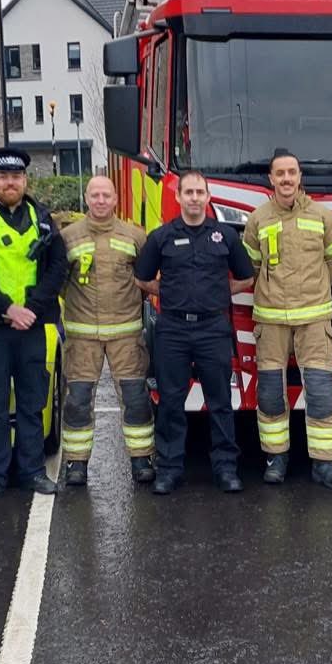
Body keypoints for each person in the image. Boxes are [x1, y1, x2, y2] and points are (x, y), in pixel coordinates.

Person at [133, 171, 253, 494]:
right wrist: (170, 291)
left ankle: (226, 468)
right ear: (179, 196)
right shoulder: (161, 237)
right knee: (171, 401)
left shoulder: (226, 236)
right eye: (189, 192)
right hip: (173, 329)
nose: (195, 198)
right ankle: (170, 469)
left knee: (221, 402)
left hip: (213, 328)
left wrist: (219, 291)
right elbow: (142, 278)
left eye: (200, 192)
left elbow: (246, 276)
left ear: (208, 197)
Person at [0, 148, 66, 499]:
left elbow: (57, 268)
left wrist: (31, 309)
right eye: (3, 177)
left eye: (16, 177)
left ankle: (33, 472)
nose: (10, 182)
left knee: (32, 404)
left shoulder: (43, 218)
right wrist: (8, 309)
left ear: (25, 180)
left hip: (31, 326)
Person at [243, 150, 332, 489]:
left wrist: (313, 292)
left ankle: (325, 463)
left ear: (300, 176)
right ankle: (277, 458)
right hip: (271, 321)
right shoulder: (258, 219)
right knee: (271, 393)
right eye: (280, 173)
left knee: (320, 391)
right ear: (271, 179)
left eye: (292, 172)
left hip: (314, 319)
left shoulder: (321, 216)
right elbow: (251, 269)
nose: (286, 179)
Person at [59, 175, 154, 486]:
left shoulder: (135, 236)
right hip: (82, 336)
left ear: (115, 199)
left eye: (106, 195)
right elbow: (58, 282)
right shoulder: (68, 237)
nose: (100, 201)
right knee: (78, 400)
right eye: (95, 195)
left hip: (125, 334)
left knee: (136, 397)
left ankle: (141, 460)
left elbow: (146, 278)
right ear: (87, 198)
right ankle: (76, 464)